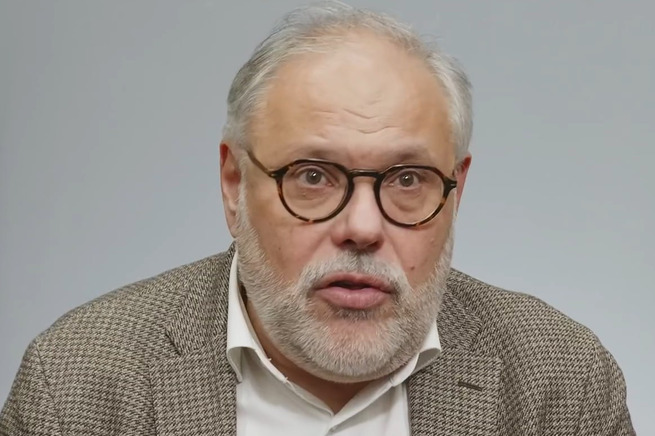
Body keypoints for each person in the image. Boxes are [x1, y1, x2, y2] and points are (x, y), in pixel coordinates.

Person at [0, 2, 635, 435]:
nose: (362, 228)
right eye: (312, 176)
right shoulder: (81, 385)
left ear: (457, 191)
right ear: (233, 184)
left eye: (407, 180)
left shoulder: (561, 383)